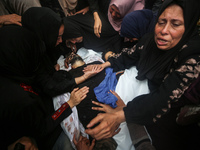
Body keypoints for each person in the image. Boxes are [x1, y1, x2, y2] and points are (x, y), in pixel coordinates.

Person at [84, 0, 200, 149]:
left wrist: (121, 115)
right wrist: (106, 63)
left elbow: (164, 98)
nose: (164, 30)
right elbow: (131, 54)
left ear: (189, 25)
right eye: (161, 22)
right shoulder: (150, 40)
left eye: (175, 24)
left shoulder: (193, 56)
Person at [0, 25, 89, 150]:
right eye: (30, 52)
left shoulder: (12, 70)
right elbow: (40, 128)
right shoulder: (19, 100)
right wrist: (69, 104)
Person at [22, 7, 97, 98]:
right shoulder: (33, 55)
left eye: (62, 36)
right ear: (45, 33)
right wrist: (84, 77)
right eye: (57, 37)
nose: (61, 41)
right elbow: (49, 87)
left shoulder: (45, 43)